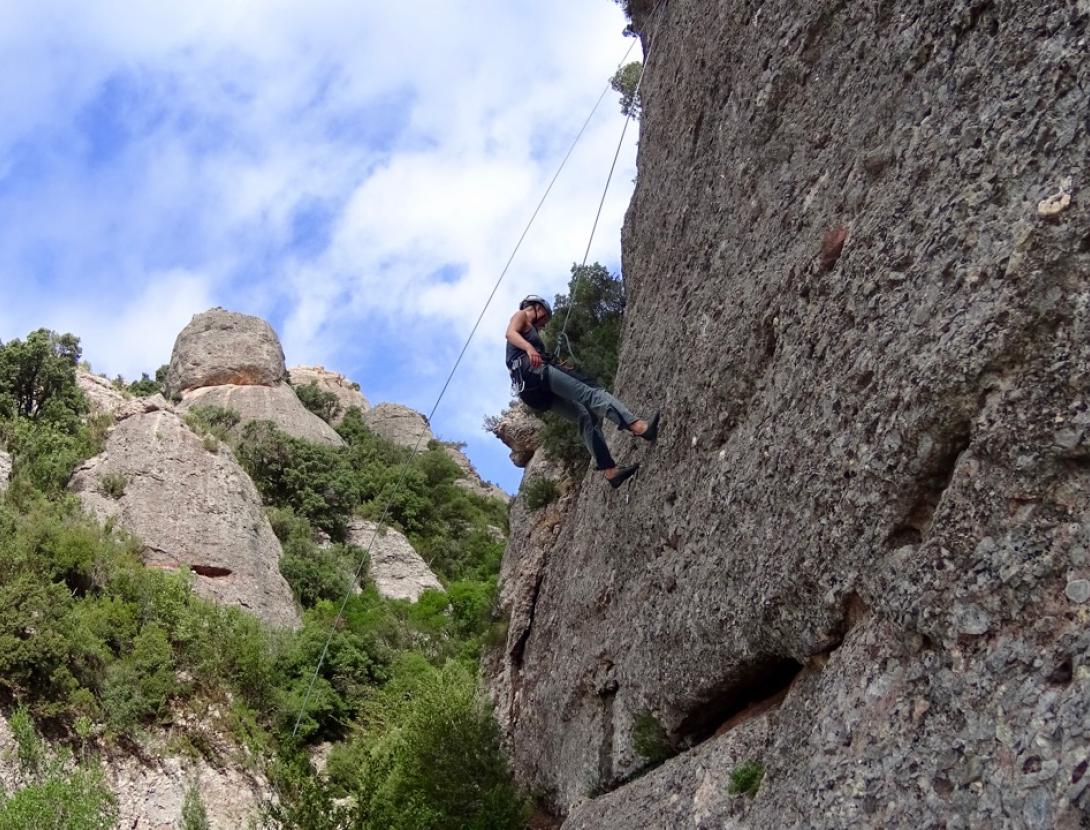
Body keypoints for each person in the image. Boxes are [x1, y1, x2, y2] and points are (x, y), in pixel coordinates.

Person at [505, 294, 659, 488]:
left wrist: (540, 353)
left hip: (529, 391)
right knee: (590, 392)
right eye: (544, 318)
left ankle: (611, 472)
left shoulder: (531, 331)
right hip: (533, 372)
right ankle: (640, 428)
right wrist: (530, 348)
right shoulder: (521, 315)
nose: (544, 324)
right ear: (537, 307)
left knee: (584, 416)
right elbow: (510, 333)